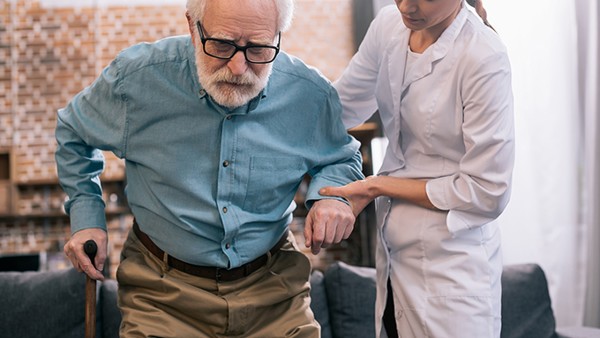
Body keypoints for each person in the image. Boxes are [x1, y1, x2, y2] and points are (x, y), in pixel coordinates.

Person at [56, 0, 364, 336]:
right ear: (192, 26)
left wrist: (333, 196)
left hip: (275, 292)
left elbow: (341, 156)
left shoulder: (309, 95)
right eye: (221, 45)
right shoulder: (137, 81)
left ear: (278, 37)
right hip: (163, 297)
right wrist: (87, 218)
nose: (237, 67)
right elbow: (73, 132)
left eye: (258, 48)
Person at [319, 0, 515, 337]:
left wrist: (377, 186)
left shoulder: (483, 55)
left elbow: (488, 192)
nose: (406, 5)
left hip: (453, 269)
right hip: (395, 260)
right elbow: (339, 109)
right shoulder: (388, 26)